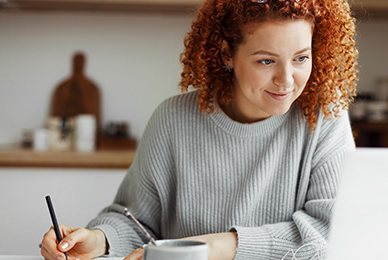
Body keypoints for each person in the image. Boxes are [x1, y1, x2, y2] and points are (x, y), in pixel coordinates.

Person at [40, 0, 358, 259]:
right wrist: (100, 240)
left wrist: (218, 247)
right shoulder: (172, 119)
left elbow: (333, 231)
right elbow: (136, 221)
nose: (287, 79)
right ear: (226, 54)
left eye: (301, 58)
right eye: (266, 61)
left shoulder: (325, 118)